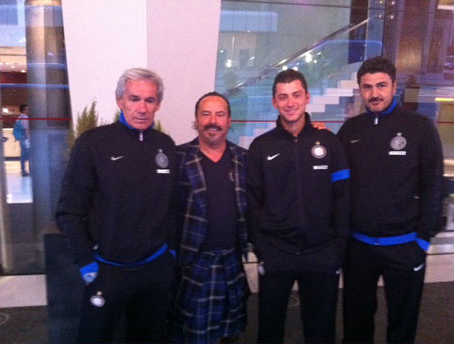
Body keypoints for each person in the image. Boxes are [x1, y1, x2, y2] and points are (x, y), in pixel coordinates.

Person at [55, 68, 177, 344]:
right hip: (106, 270)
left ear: (157, 104)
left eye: (149, 100)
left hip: (154, 270)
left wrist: (171, 252)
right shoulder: (92, 144)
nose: (142, 108)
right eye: (134, 99)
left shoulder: (166, 146)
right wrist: (85, 261)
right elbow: (69, 211)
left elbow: (172, 206)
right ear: (120, 100)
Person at [337, 56, 444, 344]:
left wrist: (422, 240)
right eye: (367, 87)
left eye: (381, 85)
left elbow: (435, 186)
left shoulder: (420, 128)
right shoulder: (350, 130)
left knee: (402, 326)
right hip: (358, 248)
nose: (375, 93)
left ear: (394, 86)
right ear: (360, 89)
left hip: (405, 245)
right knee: (356, 324)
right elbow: (337, 186)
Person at [247, 69, 350, 344]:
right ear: (274, 102)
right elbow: (252, 202)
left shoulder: (330, 143)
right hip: (276, 252)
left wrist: (337, 248)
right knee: (269, 330)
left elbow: (342, 197)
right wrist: (262, 248)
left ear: (307, 97)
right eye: (283, 97)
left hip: (322, 253)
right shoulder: (260, 147)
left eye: (295, 95)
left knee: (320, 331)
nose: (290, 102)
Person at [170, 92, 249, 344]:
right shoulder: (178, 158)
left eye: (219, 114)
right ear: (196, 120)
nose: (212, 121)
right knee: (192, 335)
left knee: (229, 335)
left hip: (231, 261)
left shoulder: (244, 159)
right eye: (206, 114)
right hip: (193, 264)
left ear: (229, 121)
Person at [15, 104, 30, 176]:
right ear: (24, 110)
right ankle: (31, 170)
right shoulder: (25, 117)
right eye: (27, 109)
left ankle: (23, 170)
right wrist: (29, 138)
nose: (28, 110)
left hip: (21, 138)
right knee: (29, 154)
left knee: (23, 155)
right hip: (25, 138)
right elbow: (26, 129)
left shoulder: (19, 117)